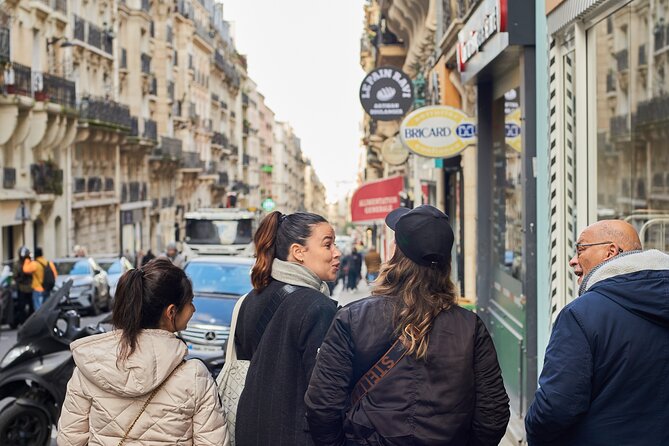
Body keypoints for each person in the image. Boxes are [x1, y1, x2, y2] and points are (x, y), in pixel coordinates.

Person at [305, 205, 510, 445]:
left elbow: (322, 405)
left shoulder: (352, 318)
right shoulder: (470, 326)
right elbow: (493, 414)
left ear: (396, 255)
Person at [525, 220, 669, 445]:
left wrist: (534, 434)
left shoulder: (581, 315)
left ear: (610, 251)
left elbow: (556, 407)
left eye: (580, 249)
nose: (573, 260)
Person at [57, 258, 229, 445]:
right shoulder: (195, 376)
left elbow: (70, 440)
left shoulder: (90, 367)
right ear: (171, 312)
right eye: (190, 302)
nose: (194, 309)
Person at [233, 211, 340, 446]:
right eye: (328, 244)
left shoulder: (251, 299)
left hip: (249, 431)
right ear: (298, 252)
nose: (337, 252)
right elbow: (324, 395)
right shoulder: (318, 307)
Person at [13, 246, 34, 323]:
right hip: (21, 288)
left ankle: (30, 320)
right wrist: (21, 277)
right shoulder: (17, 264)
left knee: (31, 305)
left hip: (30, 287)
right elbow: (15, 276)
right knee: (21, 306)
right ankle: (22, 321)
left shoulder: (30, 263)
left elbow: (34, 273)